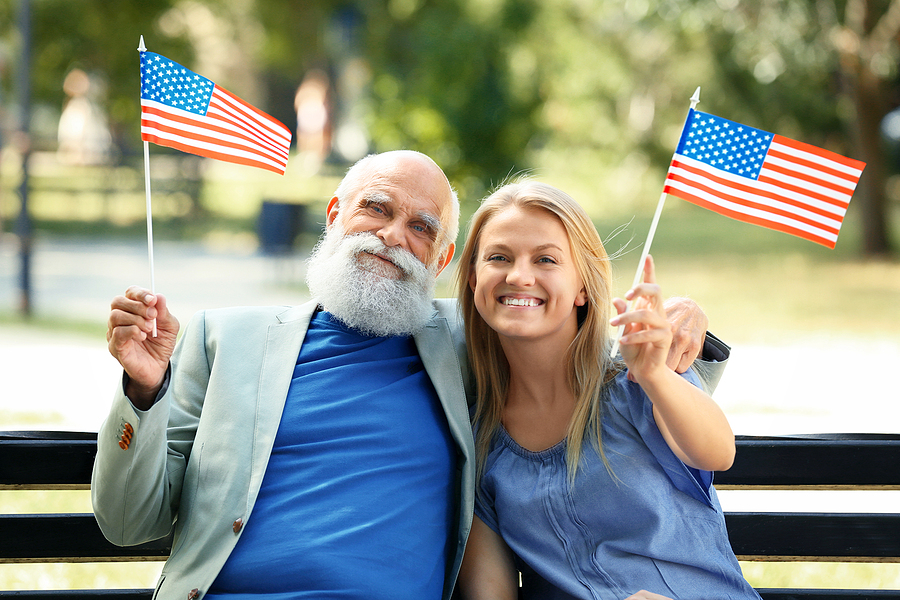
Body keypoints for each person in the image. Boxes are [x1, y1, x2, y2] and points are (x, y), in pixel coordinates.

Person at [92, 151, 724, 600]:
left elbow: (579, 353)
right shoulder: (221, 338)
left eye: (422, 227)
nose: (393, 236)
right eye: (376, 208)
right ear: (337, 213)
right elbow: (127, 523)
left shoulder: (472, 342)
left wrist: (686, 327)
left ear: (446, 260)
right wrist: (143, 392)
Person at [454, 181, 759, 600]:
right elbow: (490, 592)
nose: (519, 276)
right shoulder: (479, 442)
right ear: (472, 280)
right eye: (498, 258)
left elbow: (718, 452)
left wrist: (655, 375)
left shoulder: (637, 379)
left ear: (583, 287)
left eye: (545, 259)